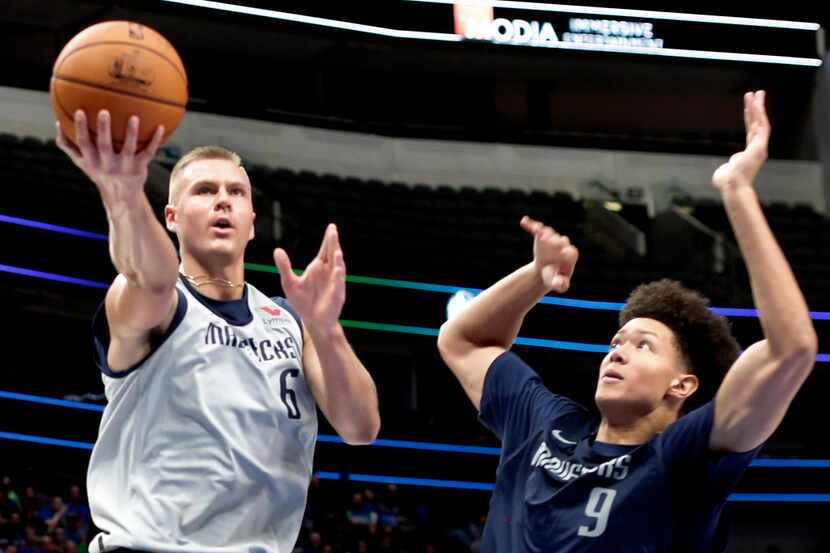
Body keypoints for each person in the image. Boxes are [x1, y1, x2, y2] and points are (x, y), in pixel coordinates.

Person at [437, 91, 817, 552]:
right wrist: (535, 279)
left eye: (644, 346)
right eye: (618, 340)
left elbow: (791, 348)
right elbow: (462, 340)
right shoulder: (546, 423)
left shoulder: (681, 459)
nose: (617, 350)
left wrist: (737, 190)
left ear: (682, 385)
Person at [55, 109, 381, 553]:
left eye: (236, 192)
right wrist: (125, 195)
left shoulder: (291, 321)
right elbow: (149, 275)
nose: (222, 201)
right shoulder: (158, 303)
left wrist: (326, 330)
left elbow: (360, 427)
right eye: (204, 191)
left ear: (251, 221)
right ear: (171, 216)